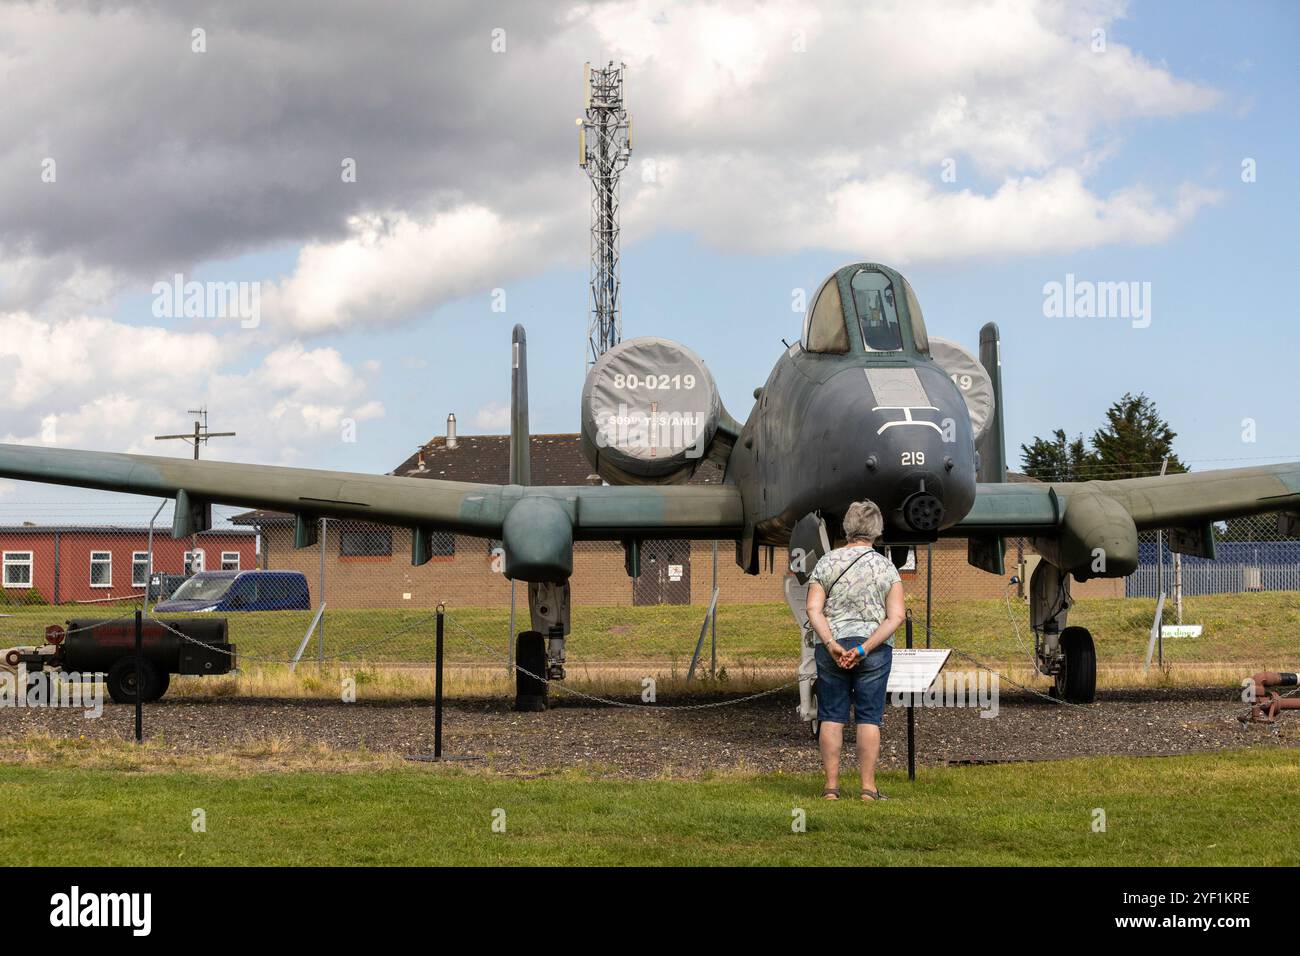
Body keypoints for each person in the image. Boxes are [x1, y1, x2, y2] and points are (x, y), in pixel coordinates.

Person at [805, 500, 906, 801]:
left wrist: (832, 643)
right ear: (877, 530)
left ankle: (831, 788)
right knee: (868, 718)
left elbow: (813, 608)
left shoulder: (826, 563)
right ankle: (867, 788)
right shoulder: (886, 567)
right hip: (873, 650)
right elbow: (896, 617)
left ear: (847, 527)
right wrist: (864, 648)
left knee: (832, 715)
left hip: (832, 648)